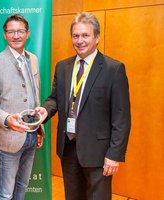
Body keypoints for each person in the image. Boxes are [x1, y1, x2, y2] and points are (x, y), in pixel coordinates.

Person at [36, 12, 131, 200]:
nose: (79, 41)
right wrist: (44, 110)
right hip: (68, 148)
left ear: (97, 38)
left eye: (85, 35)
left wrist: (114, 154)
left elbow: (122, 117)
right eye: (75, 35)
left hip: (98, 153)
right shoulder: (63, 67)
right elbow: (55, 98)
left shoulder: (114, 69)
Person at [0, 14, 44, 200]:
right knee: (5, 194)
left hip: (31, 134)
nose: (16, 35)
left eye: (20, 31)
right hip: (8, 139)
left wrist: (38, 128)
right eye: (11, 31)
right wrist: (7, 120)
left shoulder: (33, 59)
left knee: (21, 189)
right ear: (4, 34)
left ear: (28, 33)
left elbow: (33, 97)